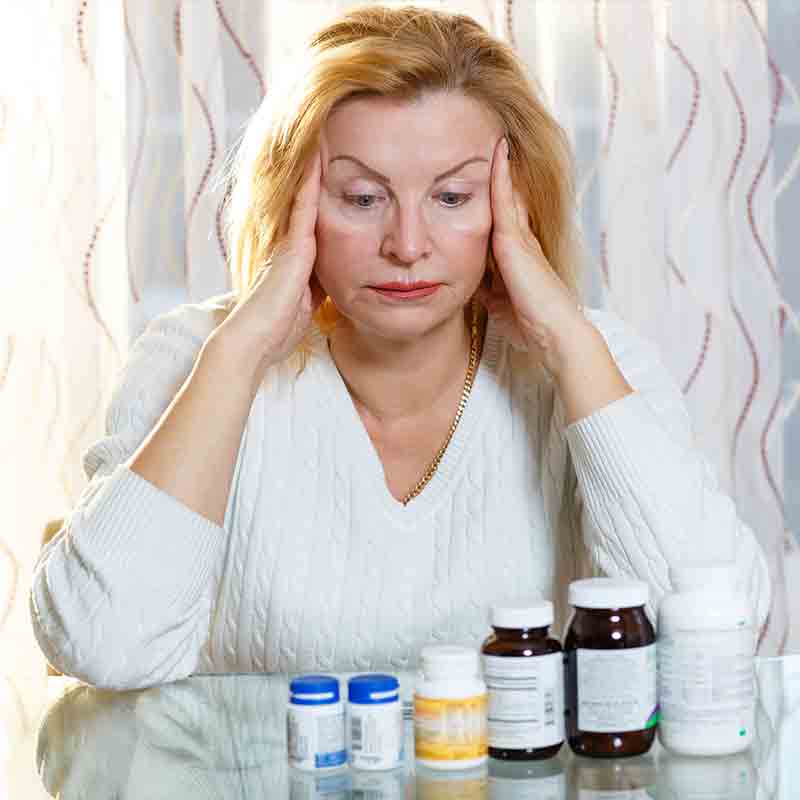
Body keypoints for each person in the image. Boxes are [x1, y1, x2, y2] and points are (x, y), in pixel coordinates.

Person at [30, 4, 770, 690]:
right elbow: (105, 644)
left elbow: (713, 632)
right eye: (361, 198)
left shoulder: (592, 358)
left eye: (452, 198)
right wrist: (239, 354)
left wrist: (567, 340)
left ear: (512, 206)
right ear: (294, 202)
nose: (407, 246)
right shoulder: (198, 355)